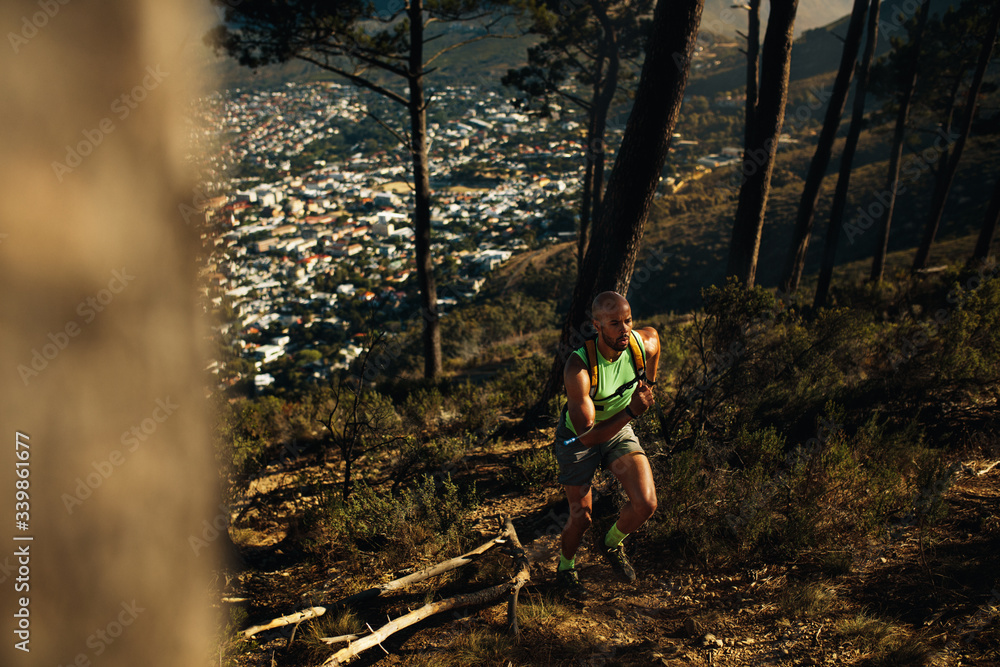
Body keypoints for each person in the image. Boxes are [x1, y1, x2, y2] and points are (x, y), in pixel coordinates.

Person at [553, 291, 659, 590]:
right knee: (582, 517)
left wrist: (649, 382)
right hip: (579, 441)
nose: (624, 329)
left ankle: (611, 544)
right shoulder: (579, 369)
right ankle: (565, 567)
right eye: (614, 323)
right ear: (597, 325)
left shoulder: (639, 344)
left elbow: (655, 340)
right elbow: (589, 438)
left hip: (619, 429)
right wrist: (631, 410)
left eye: (627, 321)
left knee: (645, 503)